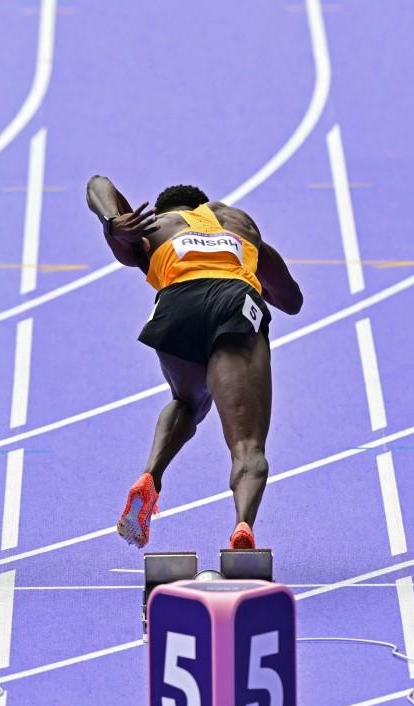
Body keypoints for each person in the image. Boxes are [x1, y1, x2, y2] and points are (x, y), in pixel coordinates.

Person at [86, 177, 303, 549]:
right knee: (247, 445)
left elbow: (97, 184)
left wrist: (111, 222)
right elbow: (292, 300)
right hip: (235, 301)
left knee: (187, 402)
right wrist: (251, 269)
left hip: (176, 306)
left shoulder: (153, 226)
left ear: (165, 209)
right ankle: (242, 526)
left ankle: (151, 475)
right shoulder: (240, 224)